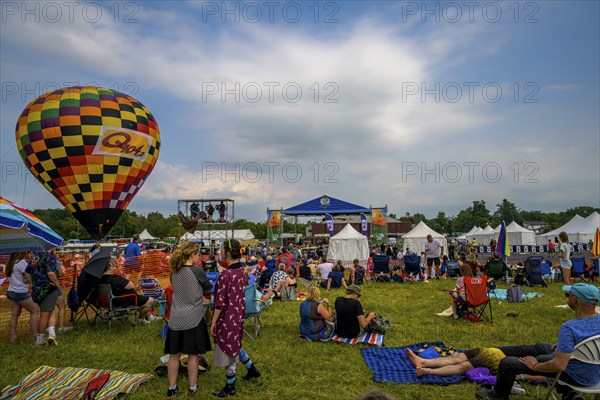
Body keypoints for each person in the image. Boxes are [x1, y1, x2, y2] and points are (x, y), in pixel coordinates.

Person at [475, 283, 600, 400]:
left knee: (507, 363)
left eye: (568, 295)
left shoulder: (569, 327)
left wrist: (536, 366)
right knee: (542, 347)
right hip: (594, 372)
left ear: (574, 300)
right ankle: (569, 395)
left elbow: (559, 365)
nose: (567, 298)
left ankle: (499, 396)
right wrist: (574, 346)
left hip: (575, 376)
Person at [211, 239, 260, 397]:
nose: (220, 252)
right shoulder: (242, 270)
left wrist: (213, 322)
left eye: (222, 249)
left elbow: (218, 304)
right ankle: (252, 369)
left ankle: (230, 387)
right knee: (235, 345)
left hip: (227, 317)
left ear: (227, 253)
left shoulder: (226, 275)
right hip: (238, 314)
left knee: (229, 350)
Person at [164, 241, 212, 398]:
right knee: (193, 355)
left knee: (174, 354)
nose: (199, 257)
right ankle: (192, 387)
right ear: (192, 255)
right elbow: (207, 288)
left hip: (176, 318)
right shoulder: (197, 271)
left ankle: (171, 388)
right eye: (198, 254)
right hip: (194, 317)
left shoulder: (174, 272)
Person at [25, 252, 60, 346]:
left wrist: (32, 283)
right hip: (48, 288)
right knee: (45, 314)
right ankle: (40, 339)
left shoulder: (34, 257)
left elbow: (27, 271)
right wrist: (57, 284)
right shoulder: (50, 257)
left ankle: (52, 334)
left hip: (37, 290)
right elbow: (50, 272)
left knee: (51, 310)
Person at [5, 251, 38, 342]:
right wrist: (28, 279)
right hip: (21, 292)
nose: (26, 253)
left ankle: (13, 337)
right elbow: (29, 278)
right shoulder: (21, 262)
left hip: (11, 291)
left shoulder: (10, 263)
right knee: (34, 311)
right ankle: (35, 335)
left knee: (14, 314)